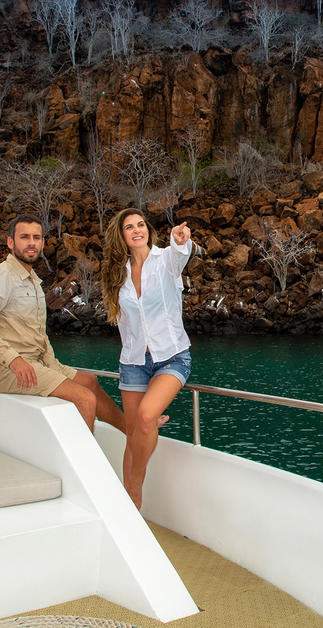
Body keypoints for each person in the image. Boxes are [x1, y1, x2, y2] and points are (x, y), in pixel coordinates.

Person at [0, 214, 126, 433]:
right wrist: (13, 360)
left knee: (89, 381)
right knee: (84, 398)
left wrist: (52, 364)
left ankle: (132, 432)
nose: (31, 243)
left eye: (36, 238)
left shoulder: (32, 280)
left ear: (42, 243)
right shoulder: (2, 276)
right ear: (10, 242)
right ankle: (81, 456)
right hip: (2, 368)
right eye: (24, 237)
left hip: (35, 362)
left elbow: (37, 333)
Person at [100, 208, 194, 509]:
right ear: (122, 235)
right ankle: (128, 507)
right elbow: (124, 322)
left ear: (148, 230)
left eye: (140, 225)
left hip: (172, 358)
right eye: (129, 227)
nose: (137, 230)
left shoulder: (165, 260)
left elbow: (180, 254)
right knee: (133, 433)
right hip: (133, 362)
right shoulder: (117, 273)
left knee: (145, 416)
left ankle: (134, 486)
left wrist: (179, 240)